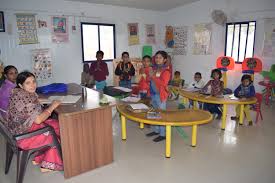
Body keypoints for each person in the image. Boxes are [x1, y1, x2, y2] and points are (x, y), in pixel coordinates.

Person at [5, 71, 63, 172]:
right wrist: (52, 107)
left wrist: (40, 101)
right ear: (20, 85)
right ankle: (48, 165)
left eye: (33, 81)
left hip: (18, 129)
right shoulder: (26, 97)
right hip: (23, 136)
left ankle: (39, 158)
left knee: (55, 124)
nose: (32, 85)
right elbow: (38, 120)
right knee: (52, 132)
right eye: (28, 83)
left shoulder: (18, 93)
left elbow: (29, 105)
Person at [146, 51, 171, 142]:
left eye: (160, 58)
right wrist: (150, 76)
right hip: (153, 94)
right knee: (155, 114)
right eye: (156, 57)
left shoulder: (166, 71)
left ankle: (163, 134)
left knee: (161, 114)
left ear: (164, 60)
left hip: (160, 96)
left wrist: (153, 77)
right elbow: (149, 80)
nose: (157, 59)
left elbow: (163, 83)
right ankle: (156, 131)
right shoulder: (155, 69)